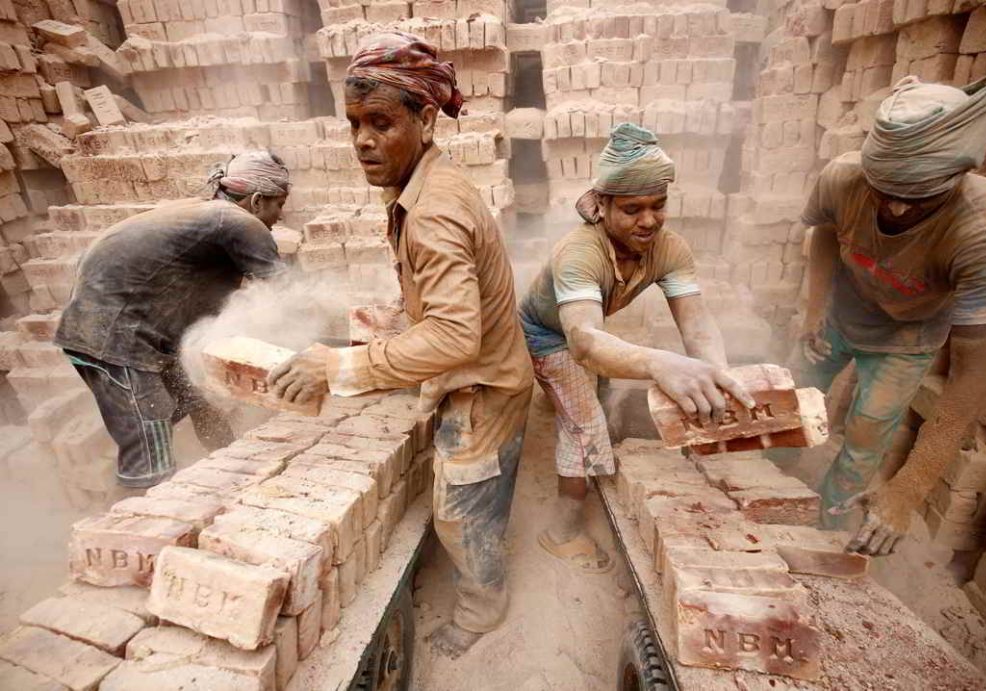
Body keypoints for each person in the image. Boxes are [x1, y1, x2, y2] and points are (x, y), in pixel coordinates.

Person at [268, 31, 533, 659]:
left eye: (381, 122)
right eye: (355, 123)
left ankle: (482, 609)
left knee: (462, 512)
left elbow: (455, 334)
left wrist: (338, 366)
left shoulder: (434, 210)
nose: (363, 140)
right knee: (469, 496)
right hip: (476, 374)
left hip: (485, 389)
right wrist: (397, 318)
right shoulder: (423, 187)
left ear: (424, 117)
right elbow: (442, 307)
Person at [798, 74, 986, 556]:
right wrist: (815, 309)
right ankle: (758, 489)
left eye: (919, 198)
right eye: (885, 192)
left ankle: (829, 526)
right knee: (791, 405)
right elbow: (823, 232)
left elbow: (972, 380)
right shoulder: (843, 176)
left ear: (958, 177)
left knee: (867, 432)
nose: (897, 207)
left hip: (907, 335)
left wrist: (907, 489)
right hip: (841, 313)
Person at [518, 123, 755, 573]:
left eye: (658, 206)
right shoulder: (579, 253)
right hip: (546, 334)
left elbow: (696, 319)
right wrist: (659, 363)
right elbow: (584, 342)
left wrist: (717, 372)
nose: (648, 220)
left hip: (586, 330)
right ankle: (562, 531)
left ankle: (560, 408)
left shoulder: (668, 248)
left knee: (604, 380)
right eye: (632, 209)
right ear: (602, 207)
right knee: (585, 424)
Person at [54, 151, 289, 488]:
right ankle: (135, 524)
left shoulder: (201, 216)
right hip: (120, 341)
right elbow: (285, 290)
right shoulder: (240, 222)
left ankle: (230, 466)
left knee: (198, 398)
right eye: (279, 204)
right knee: (151, 447)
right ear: (256, 200)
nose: (280, 217)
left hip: (123, 330)